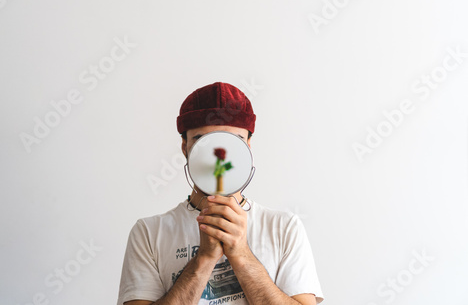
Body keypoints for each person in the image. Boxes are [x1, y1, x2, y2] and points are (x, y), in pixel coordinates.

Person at [117, 82, 324, 304]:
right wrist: (204, 259)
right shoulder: (148, 233)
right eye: (201, 140)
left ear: (249, 146)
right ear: (184, 147)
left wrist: (241, 254)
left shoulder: (284, 227)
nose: (219, 156)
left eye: (234, 141)